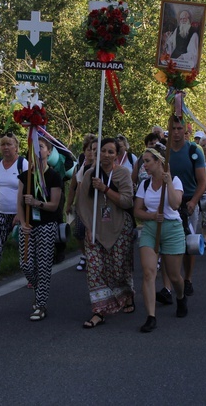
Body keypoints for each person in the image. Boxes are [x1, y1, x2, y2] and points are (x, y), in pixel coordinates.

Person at [76, 138, 136, 328]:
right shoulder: (89, 174)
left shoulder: (123, 174)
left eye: (111, 152)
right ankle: (99, 310)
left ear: (117, 155)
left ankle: (126, 296)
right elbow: (82, 204)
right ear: (96, 153)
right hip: (96, 228)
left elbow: (127, 202)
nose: (106, 155)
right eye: (103, 151)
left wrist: (105, 189)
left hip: (119, 228)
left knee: (118, 267)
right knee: (95, 269)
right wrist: (88, 225)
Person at [134, 146, 187, 332]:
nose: (145, 166)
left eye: (148, 161)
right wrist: (151, 216)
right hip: (150, 229)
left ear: (158, 162)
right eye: (143, 162)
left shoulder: (175, 181)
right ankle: (151, 316)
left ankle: (181, 296)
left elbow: (175, 204)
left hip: (172, 228)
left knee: (174, 276)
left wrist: (169, 182)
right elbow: (137, 210)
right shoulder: (144, 184)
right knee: (148, 272)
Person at [157, 115, 206, 303]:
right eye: (173, 129)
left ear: (185, 129)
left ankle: (188, 279)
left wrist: (194, 201)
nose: (176, 133)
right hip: (167, 199)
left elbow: (202, 181)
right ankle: (167, 288)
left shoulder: (194, 150)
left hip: (187, 201)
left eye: (179, 129)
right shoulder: (163, 151)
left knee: (188, 243)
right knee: (165, 242)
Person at [17, 137, 63, 321]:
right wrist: (22, 223)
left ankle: (41, 304)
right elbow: (19, 204)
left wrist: (37, 203)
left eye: (41, 147)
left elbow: (54, 205)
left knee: (43, 266)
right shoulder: (24, 176)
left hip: (46, 225)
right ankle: (40, 290)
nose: (38, 151)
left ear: (49, 151)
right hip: (28, 226)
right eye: (34, 148)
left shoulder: (54, 176)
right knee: (26, 264)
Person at [0, 132, 28, 298]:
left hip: (19, 214)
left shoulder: (23, 164)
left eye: (9, 144)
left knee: (26, 247)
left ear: (16, 146)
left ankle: (31, 276)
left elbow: (28, 190)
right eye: (3, 144)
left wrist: (20, 212)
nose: (6, 147)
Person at [65, 134, 97, 272]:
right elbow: (73, 186)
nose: (90, 152)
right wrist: (69, 203)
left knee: (92, 233)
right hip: (80, 205)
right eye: (88, 150)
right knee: (78, 232)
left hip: (94, 205)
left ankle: (93, 257)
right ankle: (84, 254)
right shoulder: (80, 167)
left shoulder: (99, 167)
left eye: (93, 149)